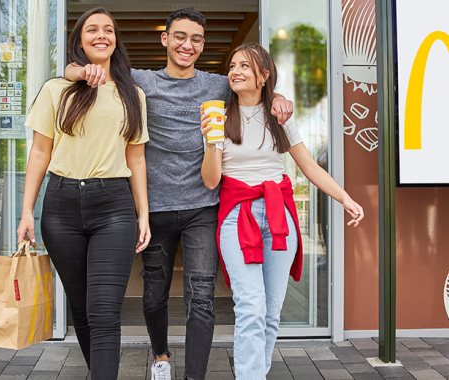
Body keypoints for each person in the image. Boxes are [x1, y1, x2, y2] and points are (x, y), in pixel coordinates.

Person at [65, 8, 293, 380]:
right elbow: (86, 71)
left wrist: (279, 95)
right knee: (154, 293)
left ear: (202, 45)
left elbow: (252, 84)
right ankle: (162, 357)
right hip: (154, 207)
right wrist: (76, 70)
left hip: (202, 207)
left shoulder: (217, 85)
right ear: (165, 40)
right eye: (181, 37)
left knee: (201, 296)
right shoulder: (141, 82)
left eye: (197, 39)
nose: (188, 45)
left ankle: (195, 375)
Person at [200, 42, 364, 379]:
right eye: (232, 66)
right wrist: (212, 143)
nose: (235, 71)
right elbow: (211, 180)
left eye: (245, 66)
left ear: (263, 75)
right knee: (250, 306)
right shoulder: (218, 117)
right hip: (237, 217)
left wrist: (345, 198)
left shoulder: (279, 116)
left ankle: (257, 371)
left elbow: (310, 168)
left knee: (271, 310)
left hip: (278, 217)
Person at [17, 7, 150, 380]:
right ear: (79, 40)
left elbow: (136, 159)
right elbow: (40, 153)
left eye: (108, 29)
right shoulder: (56, 89)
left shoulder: (132, 94)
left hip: (114, 207)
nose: (101, 35)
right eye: (92, 29)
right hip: (60, 208)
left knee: (104, 310)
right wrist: (27, 211)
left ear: (115, 41)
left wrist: (143, 213)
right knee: (81, 308)